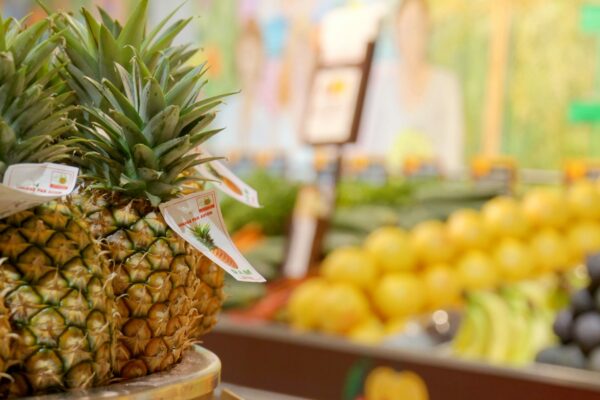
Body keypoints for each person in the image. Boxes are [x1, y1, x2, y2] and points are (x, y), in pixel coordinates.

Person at [358, 0, 465, 176]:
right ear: (397, 32)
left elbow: (453, 154)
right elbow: (370, 151)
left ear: (428, 30)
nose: (414, 35)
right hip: (389, 192)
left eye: (419, 26)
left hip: (433, 192)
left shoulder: (447, 84)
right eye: (407, 27)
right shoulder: (381, 86)